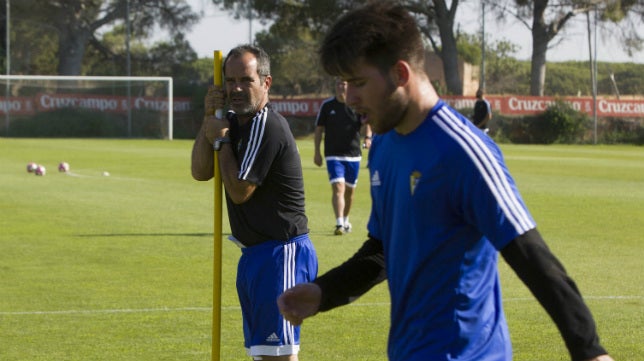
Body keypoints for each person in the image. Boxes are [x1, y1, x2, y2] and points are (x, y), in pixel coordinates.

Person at [277, 4, 614, 361]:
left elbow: (529, 253)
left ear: (401, 73)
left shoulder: (462, 152)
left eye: (359, 83)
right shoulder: (385, 147)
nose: (350, 98)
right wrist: (323, 292)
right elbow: (382, 250)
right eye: (346, 85)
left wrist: (588, 349)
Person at [191, 45, 318, 361]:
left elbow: (239, 192)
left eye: (245, 80)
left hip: (281, 253)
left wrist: (221, 141)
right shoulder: (233, 121)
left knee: (277, 356)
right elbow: (200, 171)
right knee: (263, 354)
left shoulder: (267, 123)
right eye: (230, 80)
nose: (236, 88)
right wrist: (210, 118)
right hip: (255, 255)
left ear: (266, 82)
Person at [314, 78, 372, 235]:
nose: (340, 87)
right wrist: (317, 152)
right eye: (338, 84)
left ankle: (345, 220)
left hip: (353, 155)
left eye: (344, 84)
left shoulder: (356, 104)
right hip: (333, 155)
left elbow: (368, 123)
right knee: (338, 188)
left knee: (349, 192)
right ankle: (339, 223)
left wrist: (367, 138)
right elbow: (319, 129)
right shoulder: (327, 106)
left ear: (348, 86)